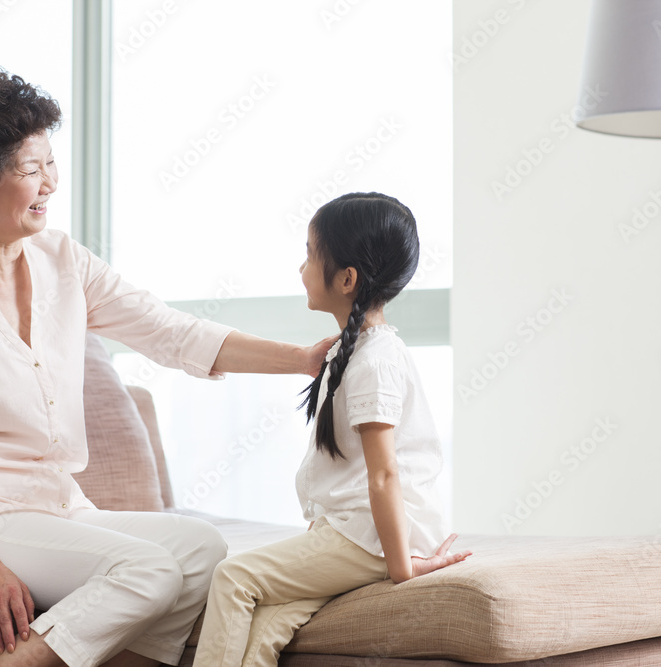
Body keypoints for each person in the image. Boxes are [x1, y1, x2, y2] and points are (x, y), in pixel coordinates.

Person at [0, 64, 333, 667]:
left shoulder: (63, 259)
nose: (50, 184)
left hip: (51, 505)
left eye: (50, 163)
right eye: (30, 170)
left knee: (201, 548)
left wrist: (301, 361)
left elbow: (171, 333)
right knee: (145, 569)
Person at [191, 193, 471, 667]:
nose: (301, 268)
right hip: (359, 531)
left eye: (308, 254)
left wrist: (402, 569)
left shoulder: (374, 362)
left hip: (376, 537)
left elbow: (384, 477)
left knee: (234, 578)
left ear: (346, 279)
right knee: (265, 628)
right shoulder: (354, 352)